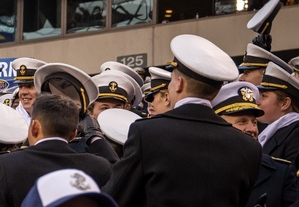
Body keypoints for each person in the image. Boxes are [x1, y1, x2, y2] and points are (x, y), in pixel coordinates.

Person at [103, 34, 261, 206]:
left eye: (170, 81)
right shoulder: (249, 147)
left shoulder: (147, 134)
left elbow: (116, 196)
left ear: (179, 84)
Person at [0, 95, 112, 207]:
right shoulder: (98, 166)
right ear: (73, 134)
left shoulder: (6, 165)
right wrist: (96, 137)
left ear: (34, 127)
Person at [213, 81, 299, 207]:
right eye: (242, 122)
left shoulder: (280, 173)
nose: (252, 129)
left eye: (254, 122)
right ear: (217, 124)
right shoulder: (201, 168)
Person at [257, 63, 299, 166]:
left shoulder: (296, 134)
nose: (258, 102)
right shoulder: (276, 131)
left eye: (264, 96)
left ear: (284, 104)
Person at [11, 58, 45, 125]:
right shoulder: (10, 120)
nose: (23, 92)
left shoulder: (55, 119)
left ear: (43, 88)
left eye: (29, 86)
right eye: (20, 86)